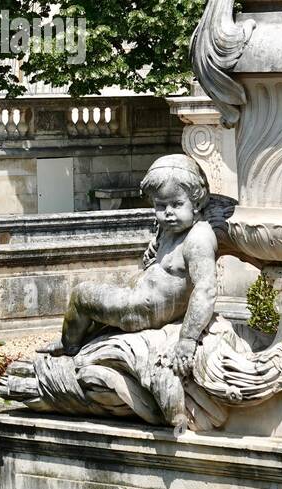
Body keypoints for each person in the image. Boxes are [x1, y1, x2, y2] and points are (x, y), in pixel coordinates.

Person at [40, 154, 218, 375]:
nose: (168, 212)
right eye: (161, 205)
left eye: (177, 204)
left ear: (197, 202)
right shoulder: (172, 230)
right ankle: (77, 341)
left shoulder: (198, 238)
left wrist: (187, 340)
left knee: (81, 296)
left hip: (144, 312)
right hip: (142, 301)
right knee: (97, 305)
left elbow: (206, 289)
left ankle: (70, 346)